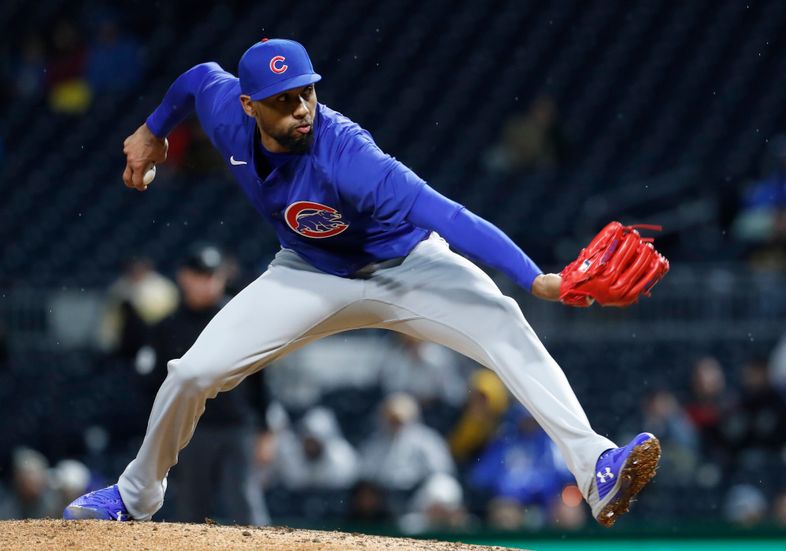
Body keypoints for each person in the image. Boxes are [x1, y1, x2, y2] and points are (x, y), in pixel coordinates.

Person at [64, 38, 660, 528]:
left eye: (307, 91)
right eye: (283, 99)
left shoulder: (349, 155)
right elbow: (197, 76)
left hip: (409, 268)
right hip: (308, 274)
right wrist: (151, 128)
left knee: (506, 325)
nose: (302, 107)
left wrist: (538, 280)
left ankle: (596, 467)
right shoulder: (225, 111)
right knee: (191, 373)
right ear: (249, 106)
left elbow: (446, 213)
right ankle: (134, 497)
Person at [132, 244, 271, 525]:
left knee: (246, 505)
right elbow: (152, 385)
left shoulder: (237, 318)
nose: (207, 282)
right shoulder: (166, 327)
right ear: (184, 277)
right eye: (200, 275)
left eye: (212, 275)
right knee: (192, 511)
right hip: (191, 431)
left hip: (237, 426)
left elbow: (259, 376)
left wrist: (266, 427)